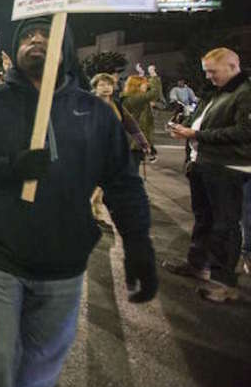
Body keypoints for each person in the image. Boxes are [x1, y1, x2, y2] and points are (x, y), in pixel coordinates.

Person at [0, 16, 157, 387]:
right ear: (14, 50)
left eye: (46, 34)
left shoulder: (94, 113)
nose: (35, 40)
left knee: (41, 364)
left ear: (67, 49)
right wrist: (12, 167)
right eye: (27, 36)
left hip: (64, 265)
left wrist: (139, 242)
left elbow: (123, 184)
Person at [165, 47, 251, 303]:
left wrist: (196, 135)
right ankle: (197, 264)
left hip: (227, 168)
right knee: (204, 219)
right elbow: (201, 121)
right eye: (206, 72)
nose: (209, 77)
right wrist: (184, 128)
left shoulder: (245, 93)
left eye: (213, 71)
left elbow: (245, 132)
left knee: (225, 224)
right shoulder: (216, 92)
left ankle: (224, 283)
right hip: (204, 165)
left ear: (233, 67)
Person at [90, 73, 152, 229]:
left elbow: (131, 125)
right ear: (95, 87)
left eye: (109, 85)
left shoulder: (116, 105)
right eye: (102, 85)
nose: (106, 88)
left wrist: (143, 143)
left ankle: (94, 212)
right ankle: (91, 211)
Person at [121, 70, 161, 164]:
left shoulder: (132, 97)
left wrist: (141, 75)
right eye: (144, 84)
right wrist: (153, 75)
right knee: (132, 169)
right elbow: (155, 93)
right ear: (137, 86)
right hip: (134, 141)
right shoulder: (134, 98)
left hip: (135, 140)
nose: (146, 86)